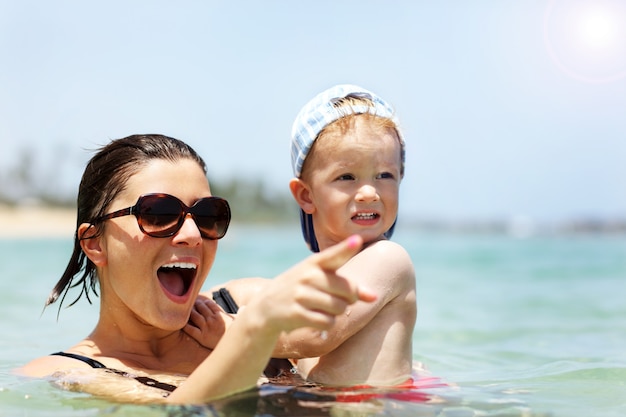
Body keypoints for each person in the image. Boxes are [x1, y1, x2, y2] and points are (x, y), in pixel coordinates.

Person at [17, 134, 376, 404]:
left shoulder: (242, 304)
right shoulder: (68, 373)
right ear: (95, 242)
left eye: (207, 216)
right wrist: (253, 332)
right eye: (158, 214)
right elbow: (181, 410)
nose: (192, 235)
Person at [197, 84, 417, 387]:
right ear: (306, 195)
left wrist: (228, 328)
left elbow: (317, 334)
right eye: (347, 177)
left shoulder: (388, 258)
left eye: (385, 175)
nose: (369, 192)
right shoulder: (319, 282)